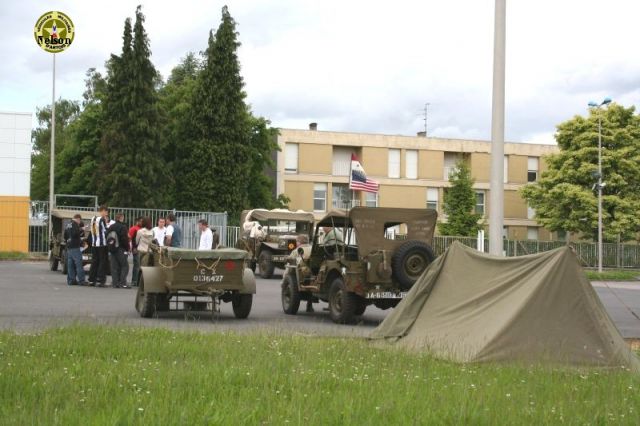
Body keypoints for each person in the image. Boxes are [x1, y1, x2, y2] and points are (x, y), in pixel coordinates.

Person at [107, 213, 130, 289]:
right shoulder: (123, 227)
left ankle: (115, 283)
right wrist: (127, 248)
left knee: (114, 267)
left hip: (112, 249)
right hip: (120, 249)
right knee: (125, 266)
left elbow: (106, 235)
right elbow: (124, 239)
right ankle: (123, 283)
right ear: (121, 218)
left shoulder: (111, 226)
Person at [88, 205, 109, 287]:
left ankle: (91, 279)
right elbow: (105, 230)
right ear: (103, 211)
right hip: (102, 244)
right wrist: (107, 224)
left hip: (94, 243)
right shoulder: (102, 219)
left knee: (94, 261)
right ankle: (100, 279)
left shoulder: (93, 218)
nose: (106, 214)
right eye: (106, 212)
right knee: (102, 262)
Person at [64, 214, 87, 286]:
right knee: (79, 264)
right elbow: (75, 233)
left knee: (70, 265)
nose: (79, 223)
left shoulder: (68, 225)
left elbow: (65, 236)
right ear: (78, 219)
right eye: (79, 221)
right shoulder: (75, 225)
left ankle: (71, 280)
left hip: (69, 247)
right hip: (75, 247)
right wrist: (81, 229)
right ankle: (81, 280)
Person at [128, 216, 143, 287]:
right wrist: (133, 248)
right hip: (136, 249)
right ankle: (134, 281)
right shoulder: (133, 229)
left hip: (142, 249)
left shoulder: (142, 229)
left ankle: (138, 281)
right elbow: (130, 239)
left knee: (140, 265)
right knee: (137, 265)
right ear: (137, 222)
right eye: (141, 221)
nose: (142, 223)